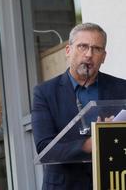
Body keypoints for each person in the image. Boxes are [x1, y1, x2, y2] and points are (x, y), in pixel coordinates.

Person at [31, 22, 126, 190]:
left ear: (104, 56)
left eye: (96, 49)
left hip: (113, 182)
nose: (89, 54)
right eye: (83, 46)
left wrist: (115, 132)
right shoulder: (45, 93)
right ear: (68, 51)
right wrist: (89, 144)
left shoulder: (122, 89)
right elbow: (45, 149)